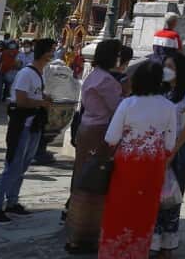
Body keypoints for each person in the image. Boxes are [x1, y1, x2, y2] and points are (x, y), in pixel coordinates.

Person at [97, 61, 176, 258]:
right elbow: (169, 144)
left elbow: (111, 138)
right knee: (144, 215)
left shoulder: (128, 103)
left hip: (127, 164)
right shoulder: (169, 107)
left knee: (119, 211)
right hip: (153, 166)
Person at [0, 38, 56, 223]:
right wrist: (42, 102)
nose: (53, 54)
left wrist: (43, 98)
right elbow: (21, 99)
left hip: (34, 124)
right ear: (43, 52)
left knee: (23, 166)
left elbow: (32, 95)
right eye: (51, 50)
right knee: (13, 166)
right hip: (21, 124)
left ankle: (12, 202)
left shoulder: (41, 73)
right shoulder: (27, 73)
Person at [64, 39, 124, 253]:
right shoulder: (106, 81)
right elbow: (118, 107)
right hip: (99, 131)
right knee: (94, 182)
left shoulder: (94, 75)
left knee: (82, 176)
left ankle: (74, 229)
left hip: (87, 127)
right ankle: (84, 234)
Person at [152, 53, 185, 257]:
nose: (166, 69)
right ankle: (152, 240)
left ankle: (167, 244)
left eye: (171, 66)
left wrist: (174, 149)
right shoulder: (161, 92)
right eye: (165, 66)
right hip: (157, 147)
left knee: (172, 197)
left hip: (177, 149)